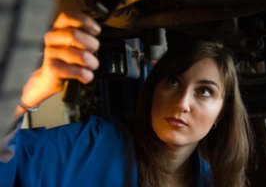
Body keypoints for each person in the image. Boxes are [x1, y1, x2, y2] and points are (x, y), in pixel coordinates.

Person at [0, 11, 252, 187]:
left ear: (221, 113)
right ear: (154, 89)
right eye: (173, 81)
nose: (182, 103)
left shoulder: (211, 179)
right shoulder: (99, 145)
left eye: (204, 91)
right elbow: (14, 164)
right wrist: (27, 95)